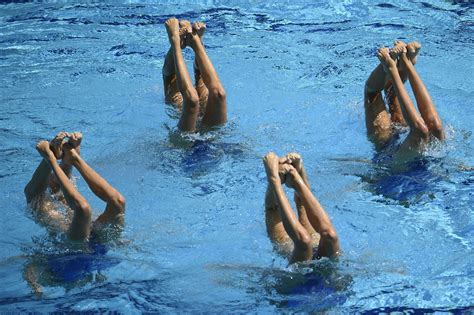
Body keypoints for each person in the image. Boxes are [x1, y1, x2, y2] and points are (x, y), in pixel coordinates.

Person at [23, 132, 126, 295]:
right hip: (96, 245)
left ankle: (64, 159)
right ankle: (72, 159)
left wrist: (35, 288)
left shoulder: (58, 276)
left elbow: (30, 267)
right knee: (117, 203)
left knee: (81, 208)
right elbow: (30, 268)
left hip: (79, 248)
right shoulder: (60, 277)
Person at [364, 41, 444, 158]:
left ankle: (406, 60)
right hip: (396, 158)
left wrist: (393, 68)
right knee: (433, 127)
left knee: (375, 94)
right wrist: (391, 69)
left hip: (393, 155)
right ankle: (401, 63)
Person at [263, 152, 340, 264]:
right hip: (309, 272)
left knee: (314, 240)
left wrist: (273, 178)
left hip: (300, 277)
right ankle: (294, 177)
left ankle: (278, 179)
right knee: (327, 236)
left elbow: (302, 240)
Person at [163, 18, 227, 132]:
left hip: (185, 142)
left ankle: (176, 43)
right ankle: (196, 42)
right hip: (212, 134)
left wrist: (176, 41)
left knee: (191, 100)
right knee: (219, 95)